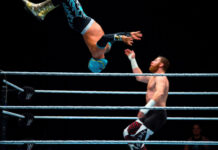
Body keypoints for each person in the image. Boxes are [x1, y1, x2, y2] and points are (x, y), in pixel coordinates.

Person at [22, 0, 143, 73]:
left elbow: (106, 37)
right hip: (81, 20)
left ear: (100, 63)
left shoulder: (97, 52)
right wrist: (128, 34)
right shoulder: (106, 49)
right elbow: (112, 39)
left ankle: (39, 10)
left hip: (79, 21)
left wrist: (121, 38)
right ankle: (40, 10)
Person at [123, 49, 170, 150]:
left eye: (155, 60)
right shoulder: (153, 77)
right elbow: (139, 77)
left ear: (161, 64)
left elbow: (160, 92)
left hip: (157, 114)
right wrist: (132, 59)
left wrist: (145, 109)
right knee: (128, 133)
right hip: (149, 113)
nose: (152, 62)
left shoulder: (161, 77)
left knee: (136, 139)